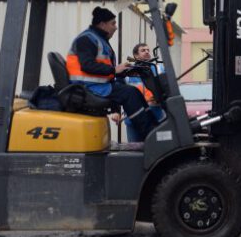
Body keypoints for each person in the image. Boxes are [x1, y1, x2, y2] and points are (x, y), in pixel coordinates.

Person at [66, 7, 158, 141]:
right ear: (102, 24)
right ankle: (150, 135)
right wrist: (114, 70)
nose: (116, 27)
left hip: (97, 84)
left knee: (134, 92)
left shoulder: (98, 39)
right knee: (130, 94)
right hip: (88, 87)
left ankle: (154, 128)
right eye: (113, 23)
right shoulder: (86, 39)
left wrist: (124, 71)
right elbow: (87, 65)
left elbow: (105, 68)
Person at [121, 43, 166, 142]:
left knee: (157, 149)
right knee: (134, 150)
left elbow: (167, 89)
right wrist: (116, 112)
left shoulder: (159, 69)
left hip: (156, 115)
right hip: (134, 117)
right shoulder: (128, 73)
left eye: (148, 50)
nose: (146, 52)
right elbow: (121, 94)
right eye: (143, 50)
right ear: (135, 56)